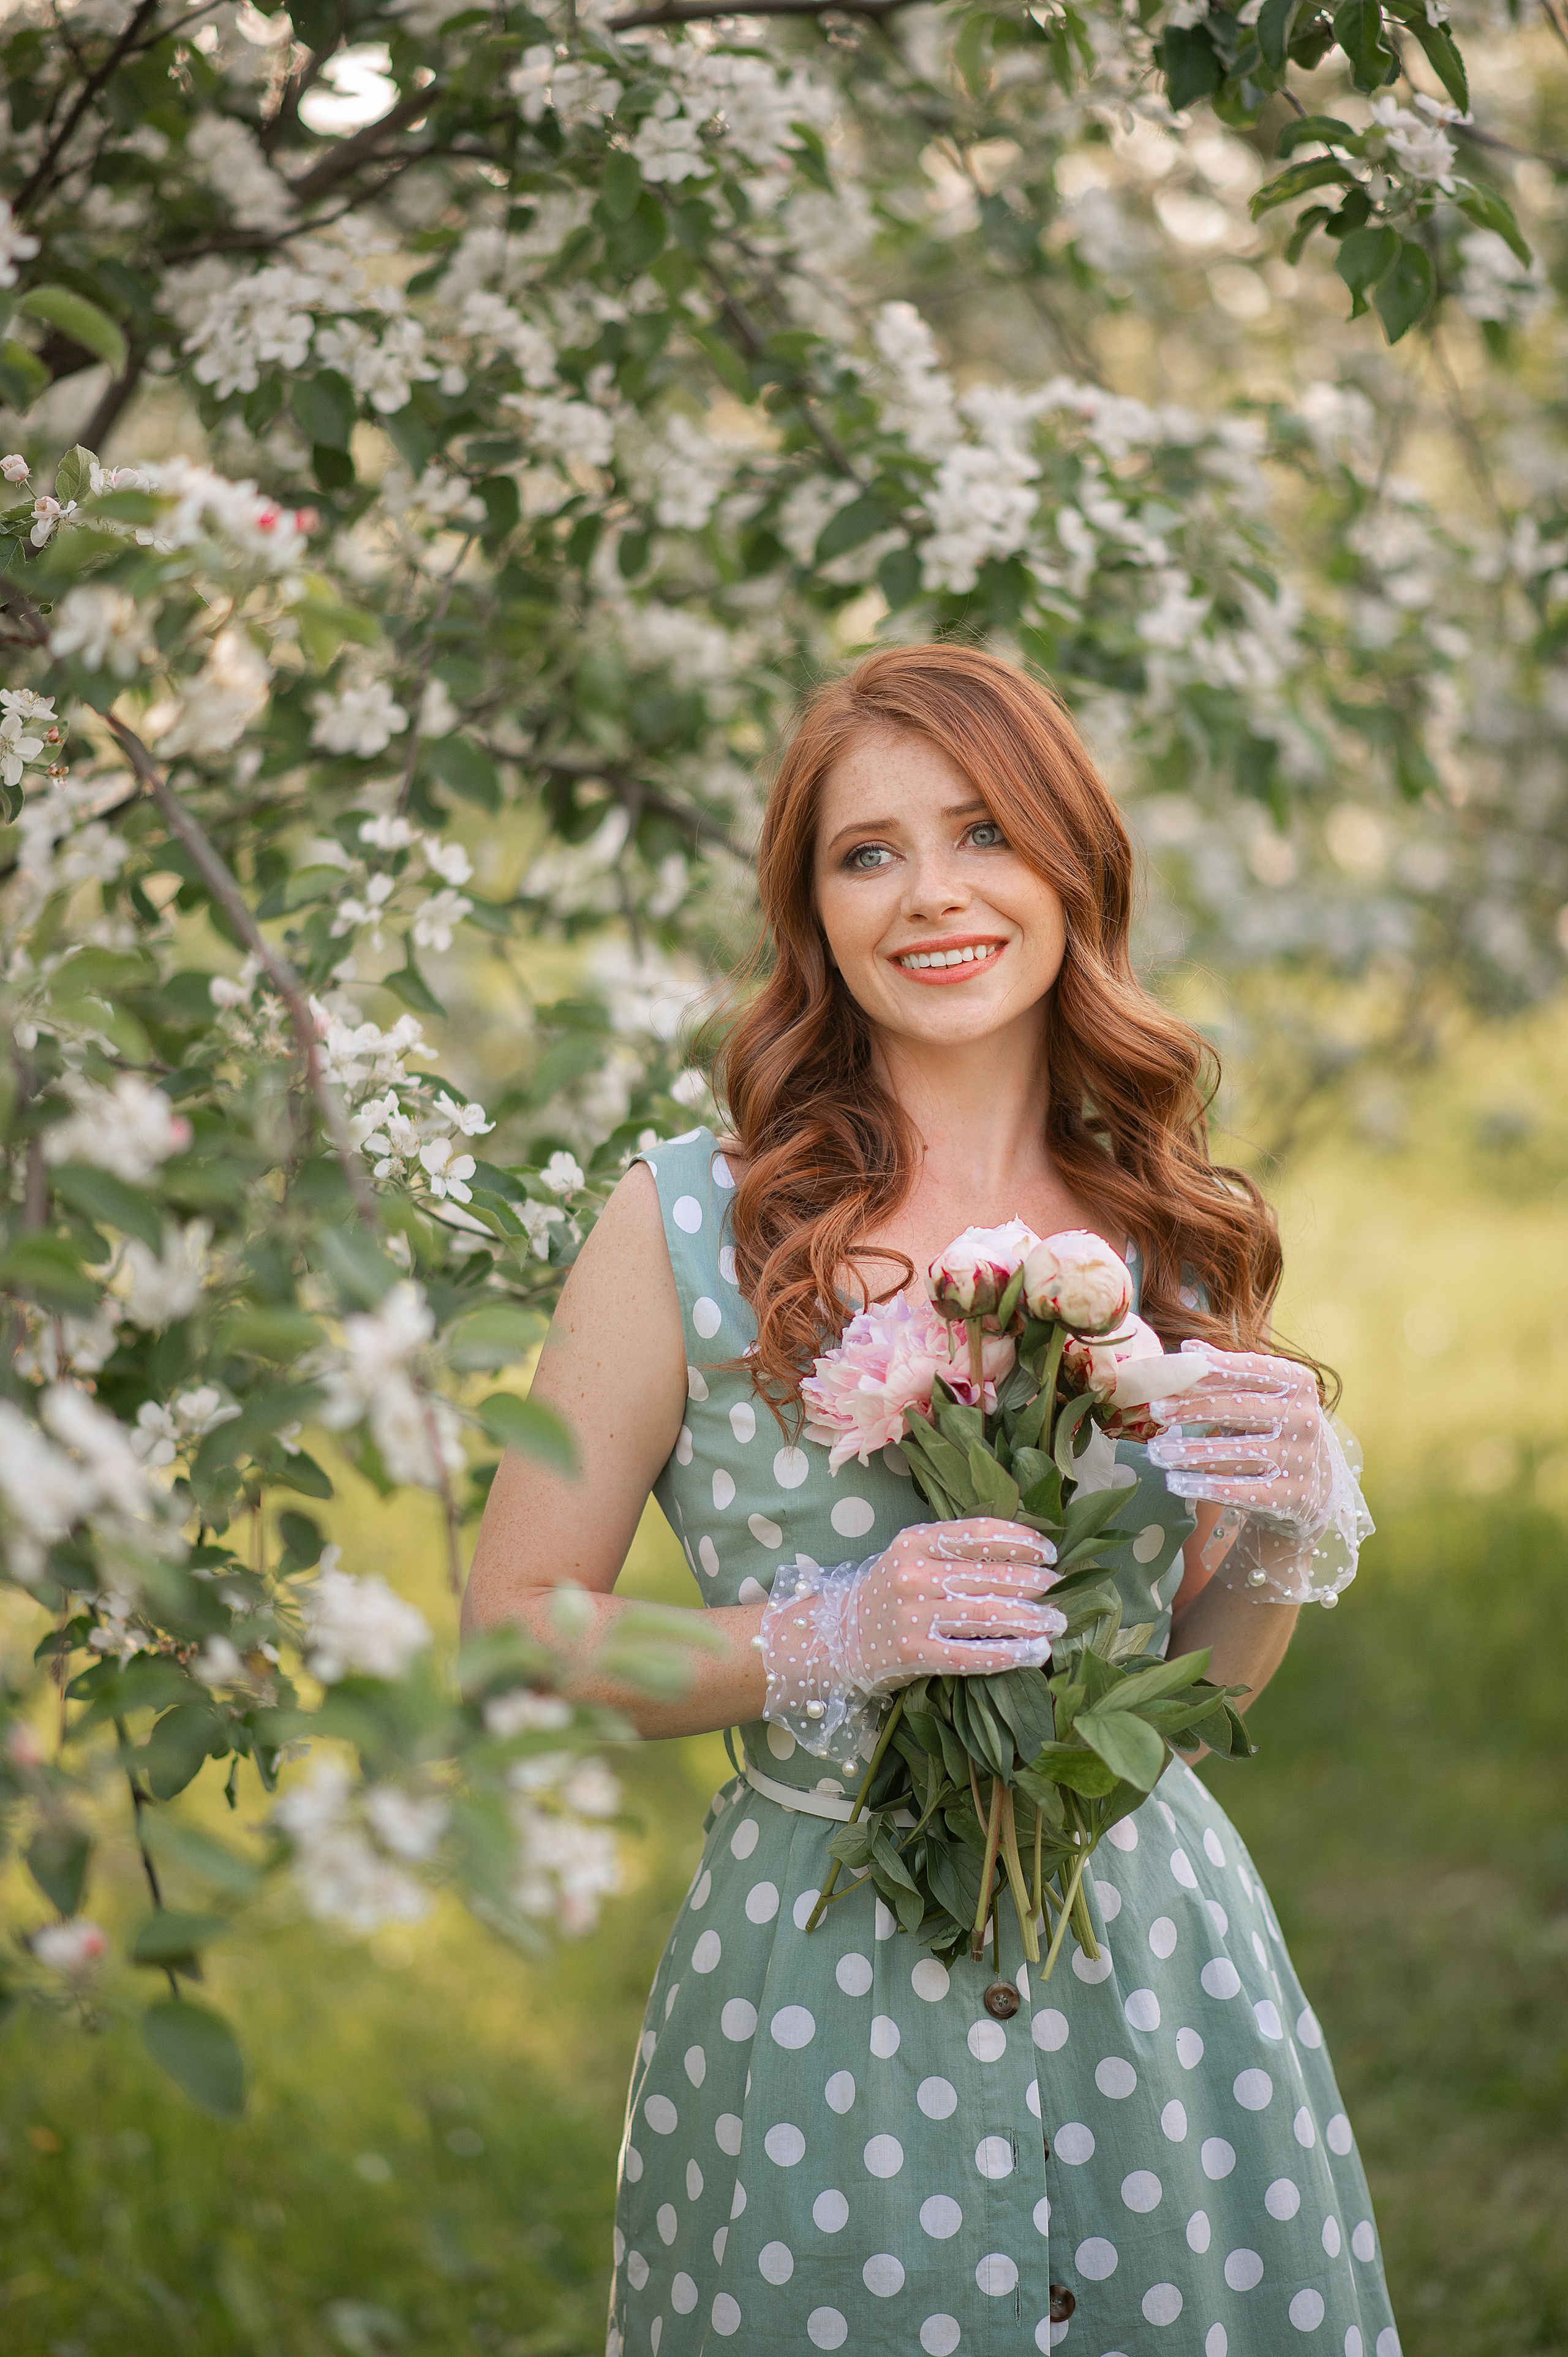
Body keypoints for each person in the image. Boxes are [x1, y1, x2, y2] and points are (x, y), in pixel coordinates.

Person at [464, 644, 1397, 2357]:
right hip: (822, 1982)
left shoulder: (1171, 1224)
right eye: (868, 853)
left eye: (983, 834)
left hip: (1155, 1973)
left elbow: (1191, 1708)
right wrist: (832, 1635)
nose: (934, 896)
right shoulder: (686, 1226)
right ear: (813, 912)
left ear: (1071, 866)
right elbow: (514, 1641)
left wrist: (1277, 1525)